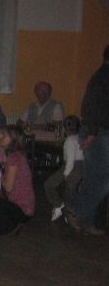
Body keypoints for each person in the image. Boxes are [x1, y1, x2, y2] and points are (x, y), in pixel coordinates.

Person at [67, 45, 109, 236]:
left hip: (98, 131)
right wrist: (92, 132)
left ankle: (87, 221)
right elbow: (89, 105)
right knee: (104, 180)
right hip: (97, 132)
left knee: (93, 179)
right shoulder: (103, 76)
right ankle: (75, 209)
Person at [0, 125, 35, 235]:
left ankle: (9, 228)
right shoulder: (17, 155)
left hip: (21, 208)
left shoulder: (13, 158)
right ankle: (11, 223)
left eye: (4, 135)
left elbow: (8, 187)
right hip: (24, 207)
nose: (0, 137)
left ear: (13, 140)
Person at [44, 115, 84, 222]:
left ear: (64, 128)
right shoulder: (79, 137)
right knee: (71, 190)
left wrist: (66, 173)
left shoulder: (69, 140)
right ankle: (69, 212)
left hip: (71, 166)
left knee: (49, 185)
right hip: (81, 166)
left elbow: (70, 158)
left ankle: (61, 206)